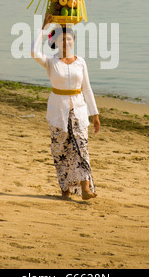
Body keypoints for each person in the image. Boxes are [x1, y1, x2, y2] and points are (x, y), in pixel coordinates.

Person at [30, 13, 100, 200]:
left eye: (69, 39)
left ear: (73, 41)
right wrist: (44, 28)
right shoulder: (50, 62)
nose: (66, 42)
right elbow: (34, 53)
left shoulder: (80, 62)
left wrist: (95, 113)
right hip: (57, 110)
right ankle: (65, 189)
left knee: (81, 147)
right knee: (60, 150)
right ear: (56, 42)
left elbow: (87, 88)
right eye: (62, 39)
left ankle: (85, 188)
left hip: (78, 109)